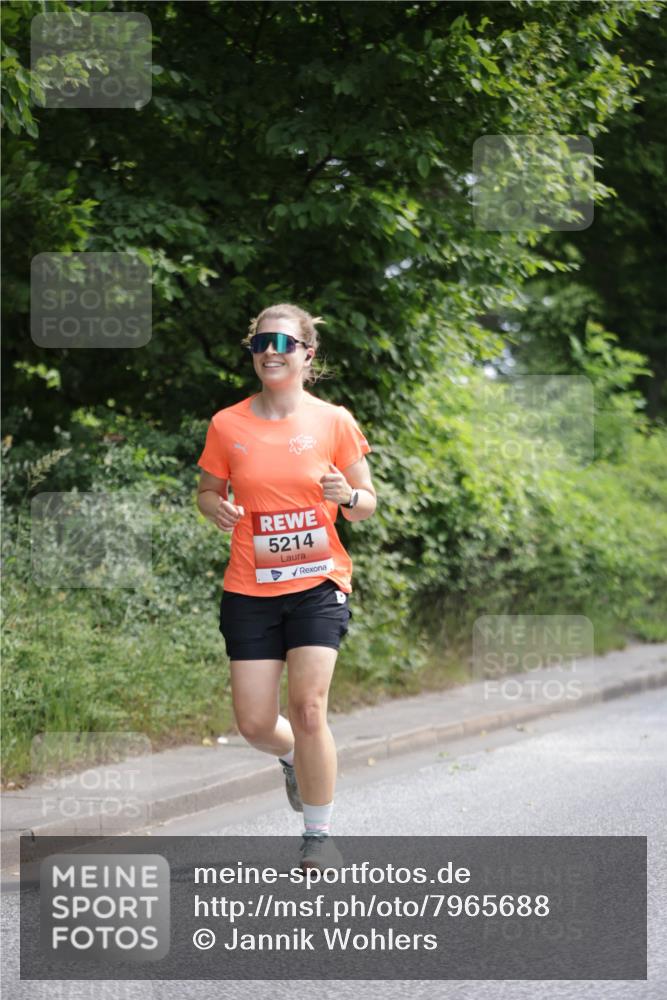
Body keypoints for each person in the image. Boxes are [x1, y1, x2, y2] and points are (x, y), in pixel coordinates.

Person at [196, 303, 376, 871]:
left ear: (306, 353)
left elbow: (367, 504)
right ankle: (298, 759)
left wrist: (347, 497)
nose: (270, 351)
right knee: (252, 722)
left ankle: (318, 838)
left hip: (319, 583)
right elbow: (206, 491)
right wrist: (215, 510)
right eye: (260, 343)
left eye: (282, 341)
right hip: (250, 586)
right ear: (253, 353)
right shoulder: (228, 424)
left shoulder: (334, 421)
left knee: (308, 705)